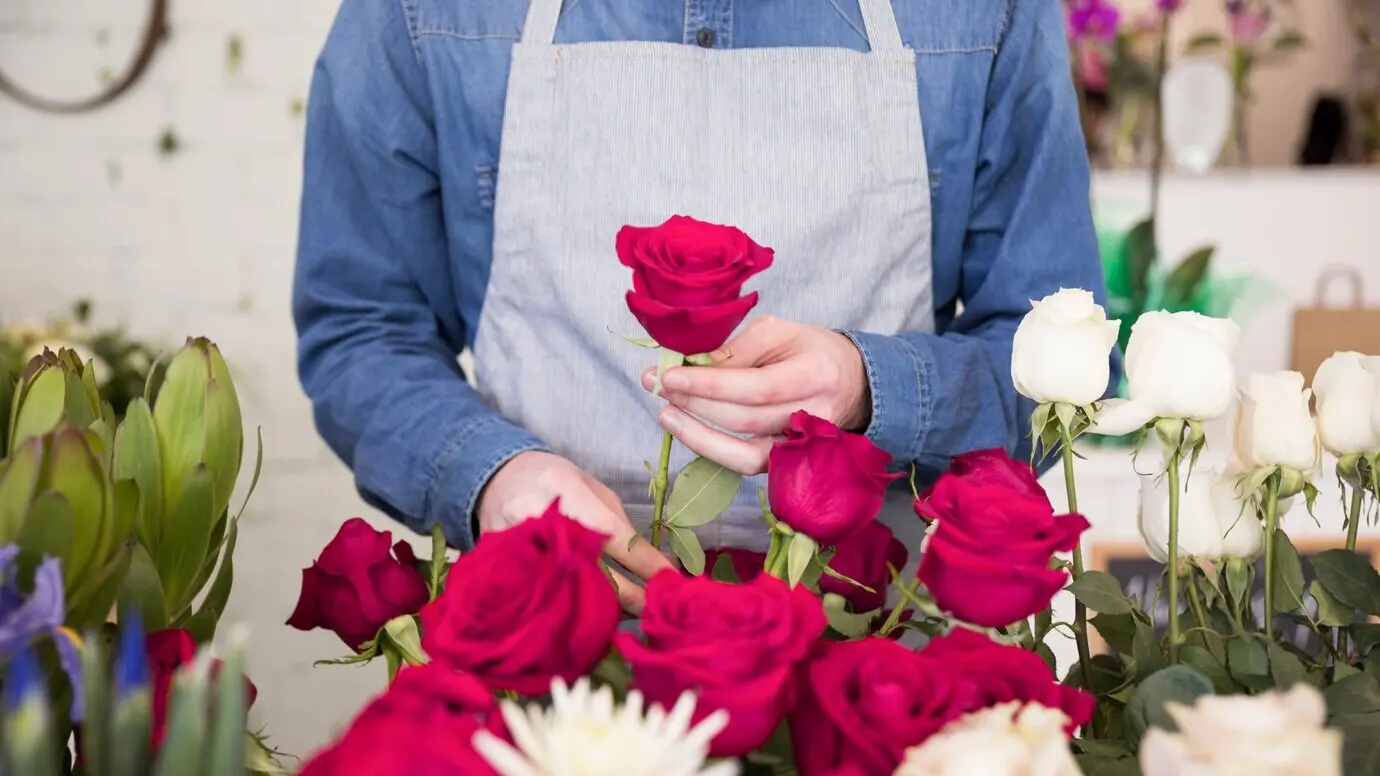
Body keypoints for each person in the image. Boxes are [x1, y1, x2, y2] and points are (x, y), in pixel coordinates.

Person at [293, 0, 1114, 614]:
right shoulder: (426, 13)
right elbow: (361, 326)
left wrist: (876, 386)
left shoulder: (983, 12)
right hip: (545, 648)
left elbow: (1061, 366)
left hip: (870, 672)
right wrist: (490, 476)